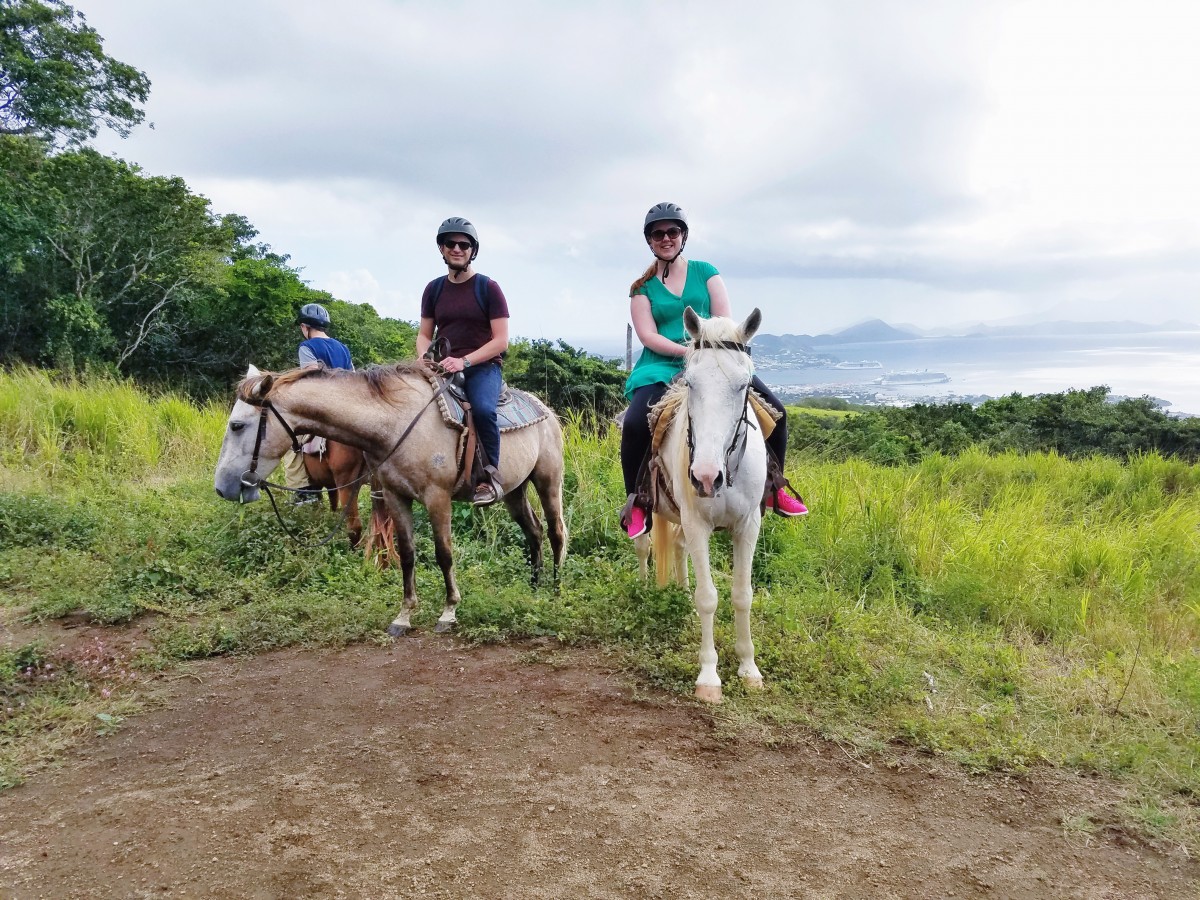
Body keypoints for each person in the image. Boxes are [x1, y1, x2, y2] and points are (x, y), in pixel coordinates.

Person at [620, 202, 808, 538]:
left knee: (776, 412)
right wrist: (690, 352)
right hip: (660, 368)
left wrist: (708, 354)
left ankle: (774, 486)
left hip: (715, 361)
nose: (666, 238)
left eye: (672, 231)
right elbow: (648, 336)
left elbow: (724, 321)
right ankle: (638, 501)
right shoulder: (641, 289)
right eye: (658, 233)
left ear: (683, 236)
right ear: (649, 241)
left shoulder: (706, 272)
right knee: (635, 423)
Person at [415, 217, 511, 506]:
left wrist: (464, 361)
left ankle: (489, 476)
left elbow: (500, 340)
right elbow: (423, 333)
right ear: (441, 249)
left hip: (482, 366)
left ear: (473, 250)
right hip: (441, 366)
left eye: (464, 244)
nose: (457, 248)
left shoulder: (488, 288)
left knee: (482, 409)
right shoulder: (433, 289)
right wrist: (422, 359)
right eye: (450, 243)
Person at [283, 302, 354, 504]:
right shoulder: (343, 347)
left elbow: (312, 380)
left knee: (291, 443)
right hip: (347, 406)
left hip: (323, 407)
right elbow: (354, 378)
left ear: (305, 327)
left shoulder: (306, 346)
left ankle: (303, 492)